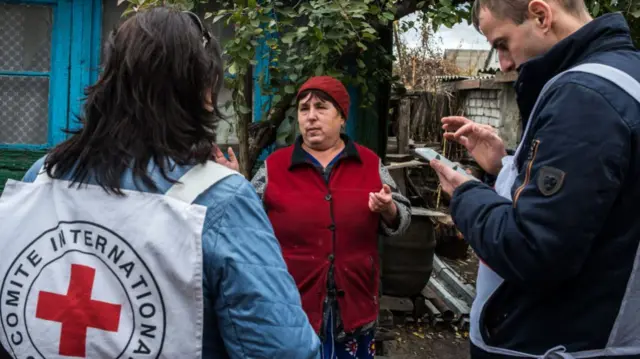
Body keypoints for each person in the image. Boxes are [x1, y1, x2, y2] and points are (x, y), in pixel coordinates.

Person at [0, 8, 320, 359]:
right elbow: (283, 350)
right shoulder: (220, 202)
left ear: (108, 81)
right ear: (202, 91)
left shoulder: (43, 175)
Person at [429, 0, 640, 358]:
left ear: (541, 16)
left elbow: (533, 248)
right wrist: (506, 165)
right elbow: (597, 199)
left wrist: (465, 193)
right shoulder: (626, 76)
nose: (504, 63)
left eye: (501, 44)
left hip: (557, 344)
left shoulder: (584, 97)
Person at [214, 76, 412, 359]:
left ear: (342, 117)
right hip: (293, 306)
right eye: (304, 109)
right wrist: (236, 186)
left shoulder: (369, 163)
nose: (311, 117)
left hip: (355, 305)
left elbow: (403, 217)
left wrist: (388, 209)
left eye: (321, 107)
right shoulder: (275, 167)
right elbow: (247, 221)